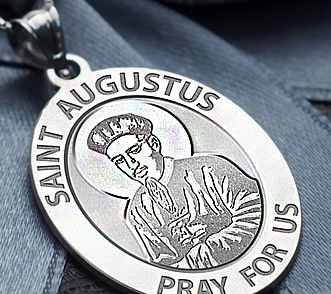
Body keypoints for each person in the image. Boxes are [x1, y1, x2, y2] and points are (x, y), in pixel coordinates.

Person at [87, 112, 262, 269]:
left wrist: (202, 253)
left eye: (134, 150)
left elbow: (255, 215)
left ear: (154, 144)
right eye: (120, 160)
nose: (131, 164)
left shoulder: (210, 168)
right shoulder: (137, 211)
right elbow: (164, 265)